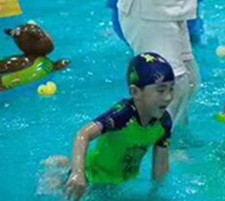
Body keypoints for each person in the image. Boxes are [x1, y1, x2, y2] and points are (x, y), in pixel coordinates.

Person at [41, 53, 175, 201]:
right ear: (135, 92)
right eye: (161, 90)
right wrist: (78, 173)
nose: (168, 97)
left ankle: (64, 163)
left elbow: (160, 171)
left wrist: (158, 194)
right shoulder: (122, 115)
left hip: (121, 183)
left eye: (171, 89)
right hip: (92, 177)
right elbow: (83, 134)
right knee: (52, 191)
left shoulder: (164, 123)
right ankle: (60, 168)